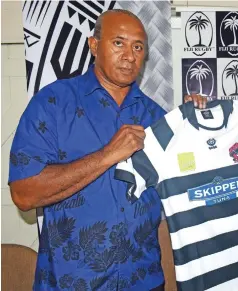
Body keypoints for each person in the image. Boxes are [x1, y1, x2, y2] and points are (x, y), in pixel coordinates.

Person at [9, 9, 168, 291]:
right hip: (72, 285)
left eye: (138, 46)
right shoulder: (53, 103)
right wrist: (107, 155)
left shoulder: (158, 117)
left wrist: (233, 116)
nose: (130, 55)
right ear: (93, 46)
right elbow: (23, 194)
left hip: (144, 282)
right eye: (118, 42)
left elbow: (200, 183)